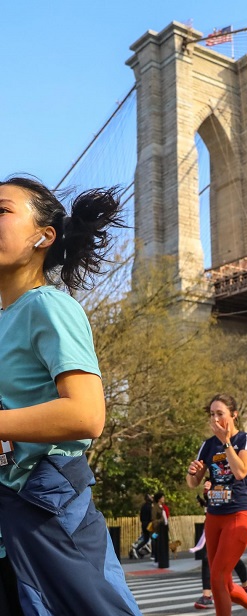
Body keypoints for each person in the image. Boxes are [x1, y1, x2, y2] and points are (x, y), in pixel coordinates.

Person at [0, 177, 141, 614]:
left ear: (43, 236)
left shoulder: (48, 306)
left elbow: (86, 413)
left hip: (50, 505)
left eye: (2, 211)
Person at [186, 393, 247, 616]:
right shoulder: (207, 445)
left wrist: (226, 443)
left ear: (234, 415)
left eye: (220, 414)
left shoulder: (246, 439)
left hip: (238, 513)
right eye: (212, 414)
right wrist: (191, 472)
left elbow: (240, 471)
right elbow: (193, 482)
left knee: (218, 577)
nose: (215, 420)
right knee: (220, 581)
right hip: (214, 515)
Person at [193, 481, 247, 609]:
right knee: (210, 562)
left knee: (223, 572)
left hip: (235, 515)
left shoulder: (234, 474)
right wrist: (207, 492)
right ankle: (207, 595)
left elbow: (240, 473)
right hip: (215, 518)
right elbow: (211, 499)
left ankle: (245, 584)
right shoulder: (213, 477)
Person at [151, 491, 171, 569]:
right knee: (157, 543)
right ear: (159, 499)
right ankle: (157, 560)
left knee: (163, 543)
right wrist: (161, 520)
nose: (164, 498)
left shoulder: (162, 507)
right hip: (158, 529)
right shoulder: (155, 508)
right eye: (162, 497)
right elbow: (153, 519)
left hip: (164, 528)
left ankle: (163, 559)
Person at [130, 493, 154, 559]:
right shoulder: (150, 507)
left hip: (143, 524)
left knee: (146, 539)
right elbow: (152, 516)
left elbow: (141, 517)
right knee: (154, 538)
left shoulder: (143, 506)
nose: (152, 498)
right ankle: (153, 554)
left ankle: (136, 549)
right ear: (149, 499)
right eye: (151, 498)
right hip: (149, 525)